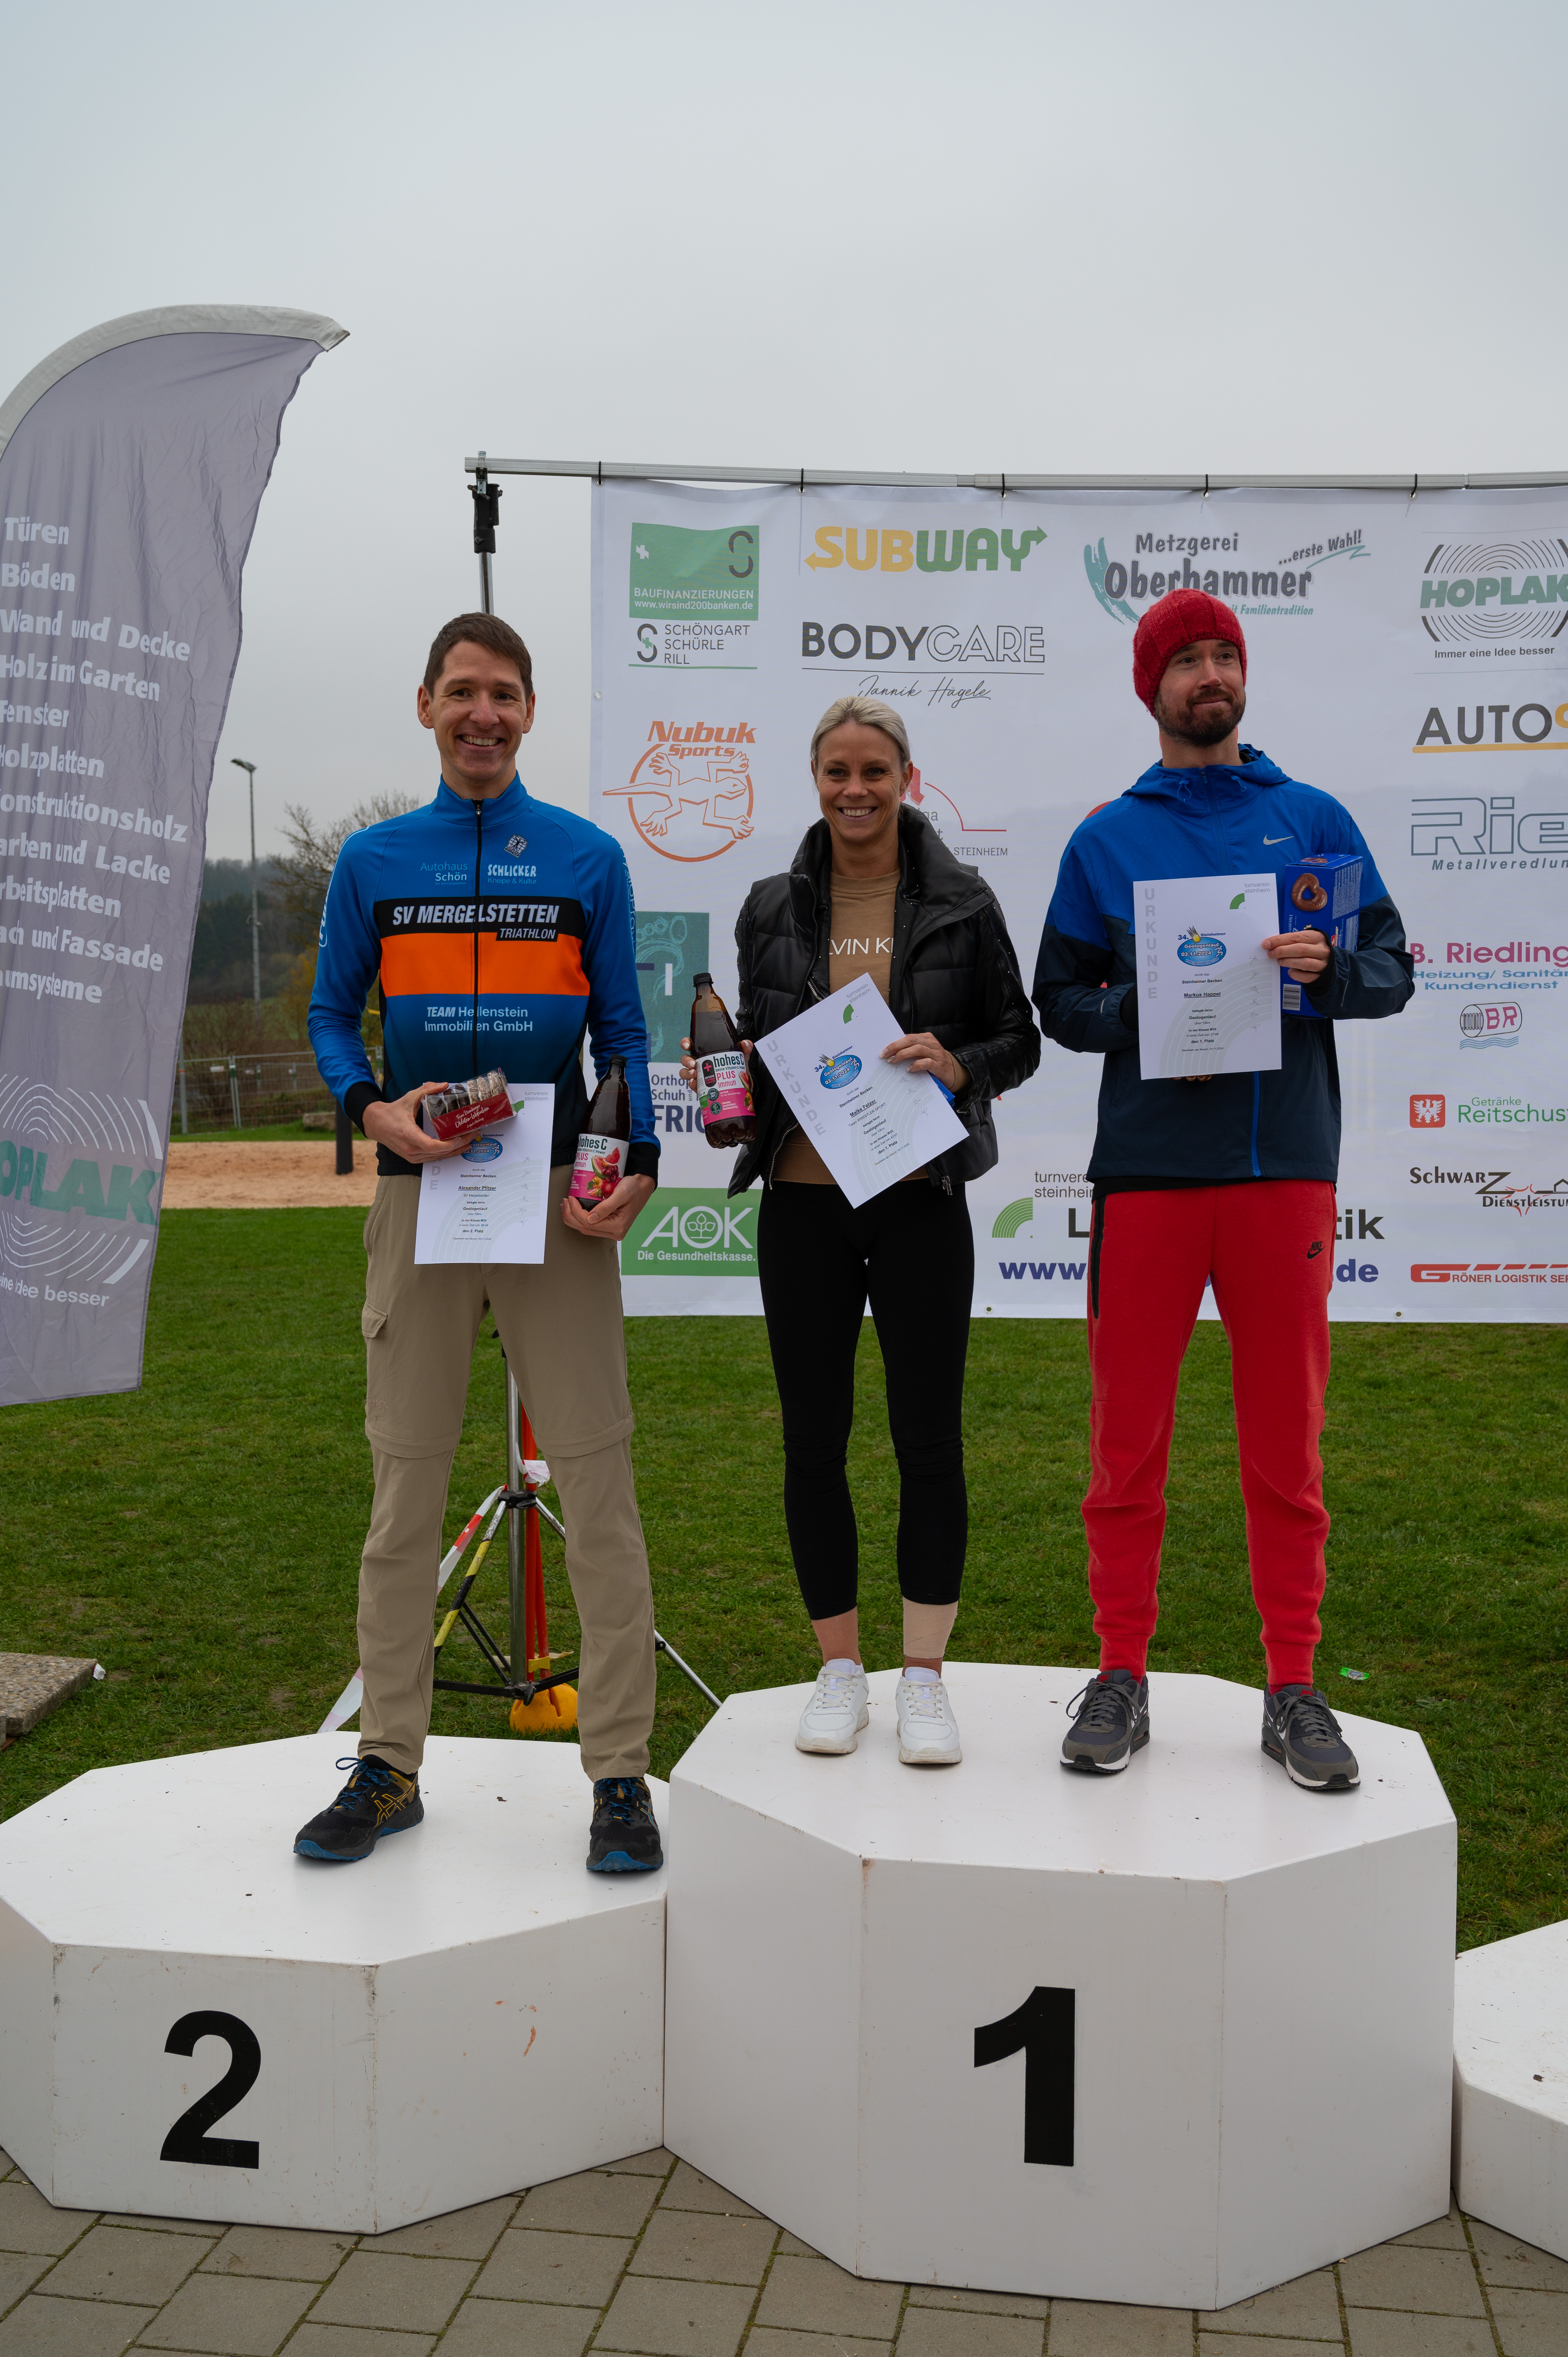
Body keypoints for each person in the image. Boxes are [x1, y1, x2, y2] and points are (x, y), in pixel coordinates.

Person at [1033, 588, 1413, 1792]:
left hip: (1280, 1171)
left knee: (1287, 1449)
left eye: (1223, 656)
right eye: (1186, 660)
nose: (1210, 675)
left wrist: (1331, 968)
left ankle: (1293, 1684)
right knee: (1125, 1445)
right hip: (1149, 1178)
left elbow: (1393, 970)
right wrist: (1146, 1009)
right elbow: (1061, 1005)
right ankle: (1120, 1672)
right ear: (1151, 689)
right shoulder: (1107, 838)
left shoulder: (1312, 819)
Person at [303, 612, 664, 1873]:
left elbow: (625, 1035)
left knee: (599, 1491)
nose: (483, 714)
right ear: (426, 706)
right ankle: (388, 1764)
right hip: (423, 1191)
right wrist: (372, 1109)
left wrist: (638, 1162)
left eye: (504, 694)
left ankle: (619, 1773)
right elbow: (330, 1015)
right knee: (405, 1492)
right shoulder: (372, 859)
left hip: (556, 1197)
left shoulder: (585, 856)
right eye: (462, 692)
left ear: (528, 713)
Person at [685, 694, 1039, 1767]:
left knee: (928, 1440)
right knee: (813, 1441)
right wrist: (730, 1077)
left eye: (874, 770)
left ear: (905, 779)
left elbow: (1020, 1039)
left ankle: (923, 1678)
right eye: (837, 771)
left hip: (922, 1196)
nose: (856, 789)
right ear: (816, 781)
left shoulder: (964, 900)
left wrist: (960, 1064)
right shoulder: (769, 905)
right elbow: (759, 1049)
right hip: (804, 1204)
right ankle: (839, 1670)